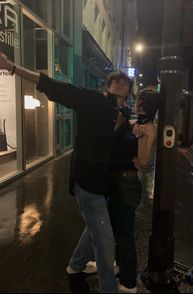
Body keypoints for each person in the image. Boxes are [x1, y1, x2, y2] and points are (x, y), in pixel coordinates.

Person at [0, 51, 133, 293]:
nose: (122, 82)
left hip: (105, 183)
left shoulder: (122, 114)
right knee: (104, 241)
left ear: (128, 92)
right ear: (108, 85)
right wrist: (12, 67)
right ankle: (108, 288)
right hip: (87, 181)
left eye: (126, 82)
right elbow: (53, 87)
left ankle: (76, 265)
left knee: (94, 228)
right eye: (117, 80)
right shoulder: (92, 100)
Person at [109, 89, 159, 293]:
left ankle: (129, 282)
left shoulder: (147, 127)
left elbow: (142, 161)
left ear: (149, 107)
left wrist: (138, 138)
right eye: (139, 101)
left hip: (127, 184)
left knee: (126, 234)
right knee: (119, 231)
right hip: (120, 183)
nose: (138, 105)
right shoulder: (138, 124)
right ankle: (120, 268)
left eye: (142, 103)